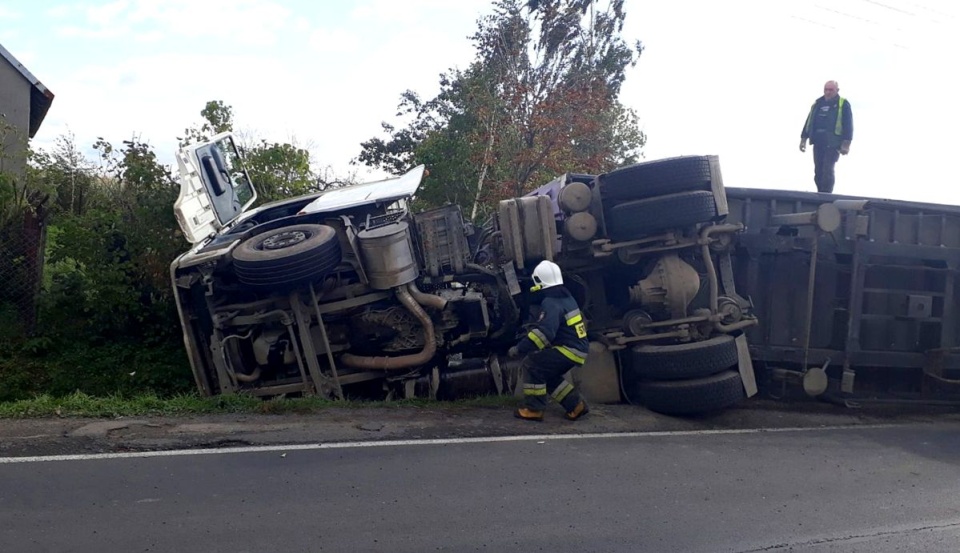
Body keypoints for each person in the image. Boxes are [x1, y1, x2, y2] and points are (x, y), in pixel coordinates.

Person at [508, 259, 590, 422]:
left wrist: (520, 348)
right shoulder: (566, 296)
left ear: (539, 281)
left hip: (568, 349)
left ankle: (533, 409)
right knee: (547, 374)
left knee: (532, 364)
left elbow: (544, 334)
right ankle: (575, 405)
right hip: (578, 348)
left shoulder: (550, 302)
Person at [799, 80, 854, 193]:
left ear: (837, 90)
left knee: (827, 169)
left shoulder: (842, 103)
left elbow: (848, 124)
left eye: (831, 90)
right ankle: (820, 193)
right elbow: (809, 121)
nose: (828, 92)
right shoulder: (817, 103)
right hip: (818, 141)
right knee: (818, 170)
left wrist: (846, 144)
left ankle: (826, 194)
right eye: (826, 90)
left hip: (833, 142)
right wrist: (803, 138)